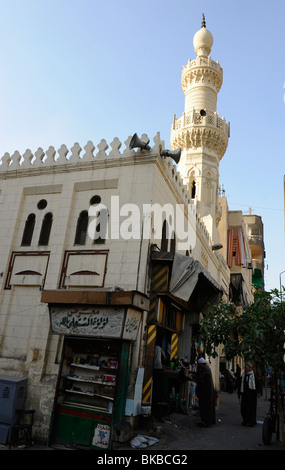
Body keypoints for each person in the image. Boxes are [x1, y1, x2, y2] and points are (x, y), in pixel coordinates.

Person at [193, 357, 216, 427]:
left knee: (206, 407)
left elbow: (199, 377)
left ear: (202, 364)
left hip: (207, 392)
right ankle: (204, 421)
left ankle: (206, 422)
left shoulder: (206, 369)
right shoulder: (205, 368)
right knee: (203, 406)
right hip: (205, 391)